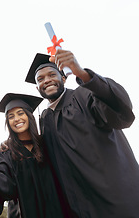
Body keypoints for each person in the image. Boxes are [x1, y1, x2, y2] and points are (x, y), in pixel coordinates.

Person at [25, 51, 139, 217]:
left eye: (52, 74)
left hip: (114, 198)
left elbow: (120, 111)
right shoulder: (45, 118)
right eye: (40, 79)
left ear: (63, 78)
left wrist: (83, 74)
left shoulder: (84, 95)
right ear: (37, 88)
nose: (47, 80)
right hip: (78, 206)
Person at [0, 93, 68, 218]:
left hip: (58, 210)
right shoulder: (7, 152)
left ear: (29, 116)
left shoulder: (48, 144)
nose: (16, 119)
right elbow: (1, 174)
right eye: (11, 116)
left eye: (20, 113)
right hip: (24, 213)